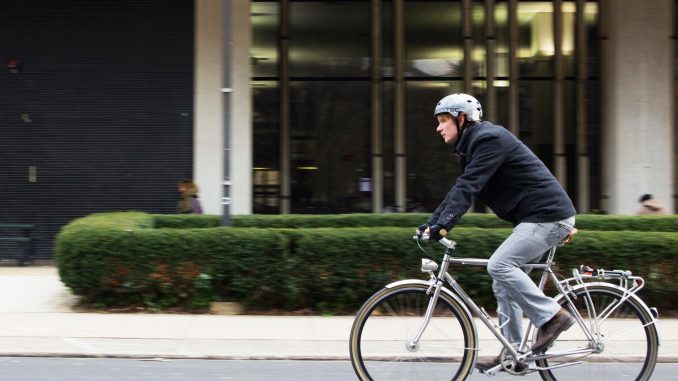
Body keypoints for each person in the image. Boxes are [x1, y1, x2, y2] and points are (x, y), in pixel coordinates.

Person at [417, 93, 577, 372]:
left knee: (500, 265)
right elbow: (460, 188)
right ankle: (514, 354)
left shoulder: (488, 140)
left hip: (548, 218)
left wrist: (444, 226)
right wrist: (432, 224)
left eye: (444, 120)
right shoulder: (473, 147)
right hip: (536, 219)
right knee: (503, 283)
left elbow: (470, 188)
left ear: (462, 119)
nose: (438, 127)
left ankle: (552, 317)